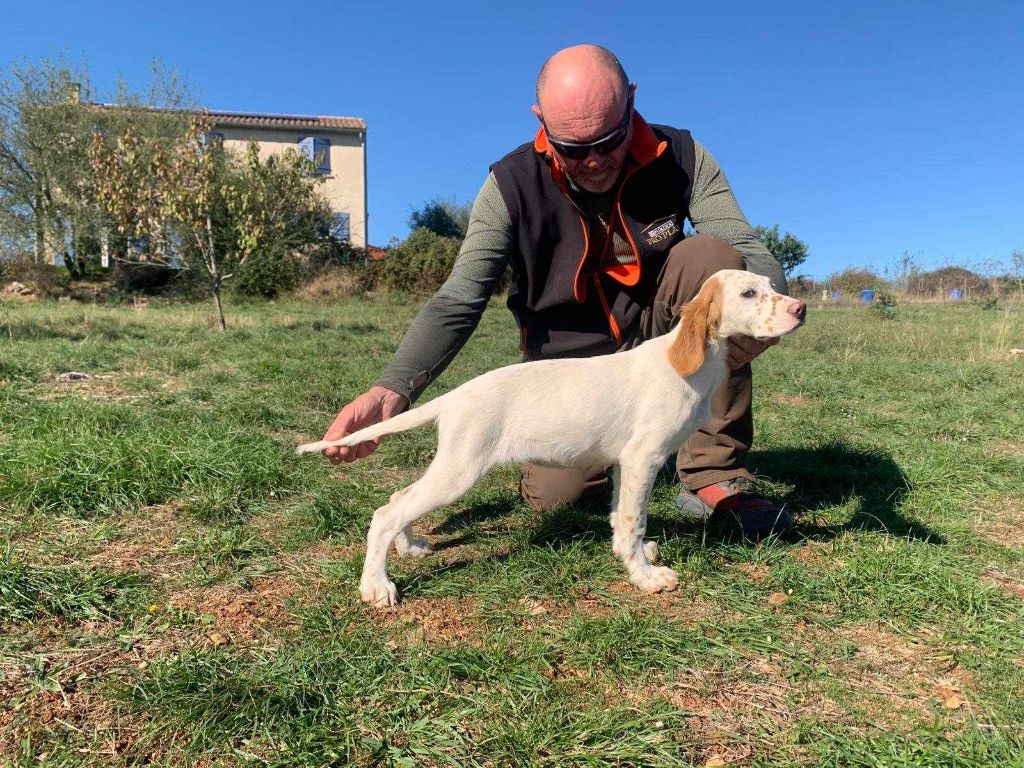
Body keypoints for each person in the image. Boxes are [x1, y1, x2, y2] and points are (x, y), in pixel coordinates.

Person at [320, 44, 793, 536]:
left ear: (631, 101)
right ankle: (621, 453)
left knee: (714, 261)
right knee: (561, 497)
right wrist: (391, 390)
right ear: (540, 120)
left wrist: (762, 320)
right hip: (571, 370)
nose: (594, 161)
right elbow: (460, 298)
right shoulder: (509, 185)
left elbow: (748, 251)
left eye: (609, 140)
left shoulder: (683, 157)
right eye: (572, 148)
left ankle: (713, 472)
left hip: (660, 339)